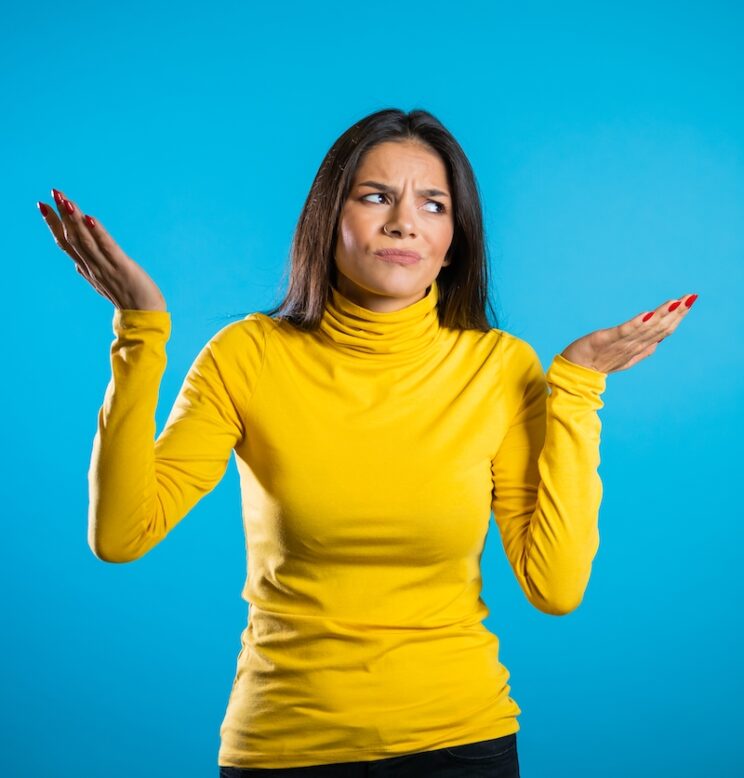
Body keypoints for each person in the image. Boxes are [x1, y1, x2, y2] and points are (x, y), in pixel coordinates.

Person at [38, 108, 697, 777]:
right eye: (376, 196)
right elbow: (122, 534)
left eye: (432, 204)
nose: (403, 222)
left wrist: (579, 387)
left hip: (464, 743)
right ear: (329, 219)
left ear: (453, 241)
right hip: (284, 748)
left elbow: (554, 587)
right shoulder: (247, 356)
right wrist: (140, 333)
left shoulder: (498, 368)